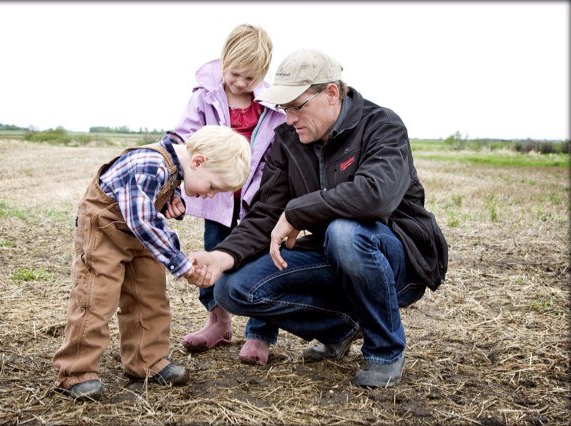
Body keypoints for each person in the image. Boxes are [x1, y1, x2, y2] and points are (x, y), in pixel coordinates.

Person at [187, 48, 448, 388]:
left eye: (297, 106)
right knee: (232, 288)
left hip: (398, 258)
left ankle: (384, 350)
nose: (289, 117)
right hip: (333, 254)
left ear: (331, 93)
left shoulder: (382, 125)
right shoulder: (288, 141)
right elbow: (267, 213)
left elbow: (375, 196)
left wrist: (297, 211)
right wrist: (220, 256)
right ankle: (341, 326)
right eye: (284, 108)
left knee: (345, 233)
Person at [52, 125, 251, 400]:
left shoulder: (175, 167)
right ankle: (76, 372)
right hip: (105, 230)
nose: (210, 195)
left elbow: (148, 210)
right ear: (197, 162)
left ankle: (146, 361)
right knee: (96, 298)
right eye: (213, 186)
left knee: (150, 295)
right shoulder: (150, 164)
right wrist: (181, 265)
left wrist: (173, 196)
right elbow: (142, 219)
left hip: (138, 236)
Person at [174, 23, 285, 366]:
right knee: (212, 255)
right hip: (218, 200)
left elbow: (275, 155)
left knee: (260, 262)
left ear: (262, 75)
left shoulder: (271, 105)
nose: (240, 83)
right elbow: (183, 139)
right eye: (235, 74)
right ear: (224, 62)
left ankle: (259, 334)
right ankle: (218, 322)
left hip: (256, 201)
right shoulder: (205, 96)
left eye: (250, 78)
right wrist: (175, 187)